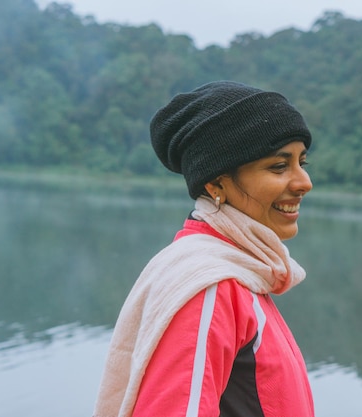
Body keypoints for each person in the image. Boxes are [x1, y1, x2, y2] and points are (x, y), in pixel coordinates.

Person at [93, 81, 315, 417]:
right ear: (216, 184)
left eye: (302, 163)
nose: (303, 183)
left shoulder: (244, 272)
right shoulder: (210, 288)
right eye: (279, 166)